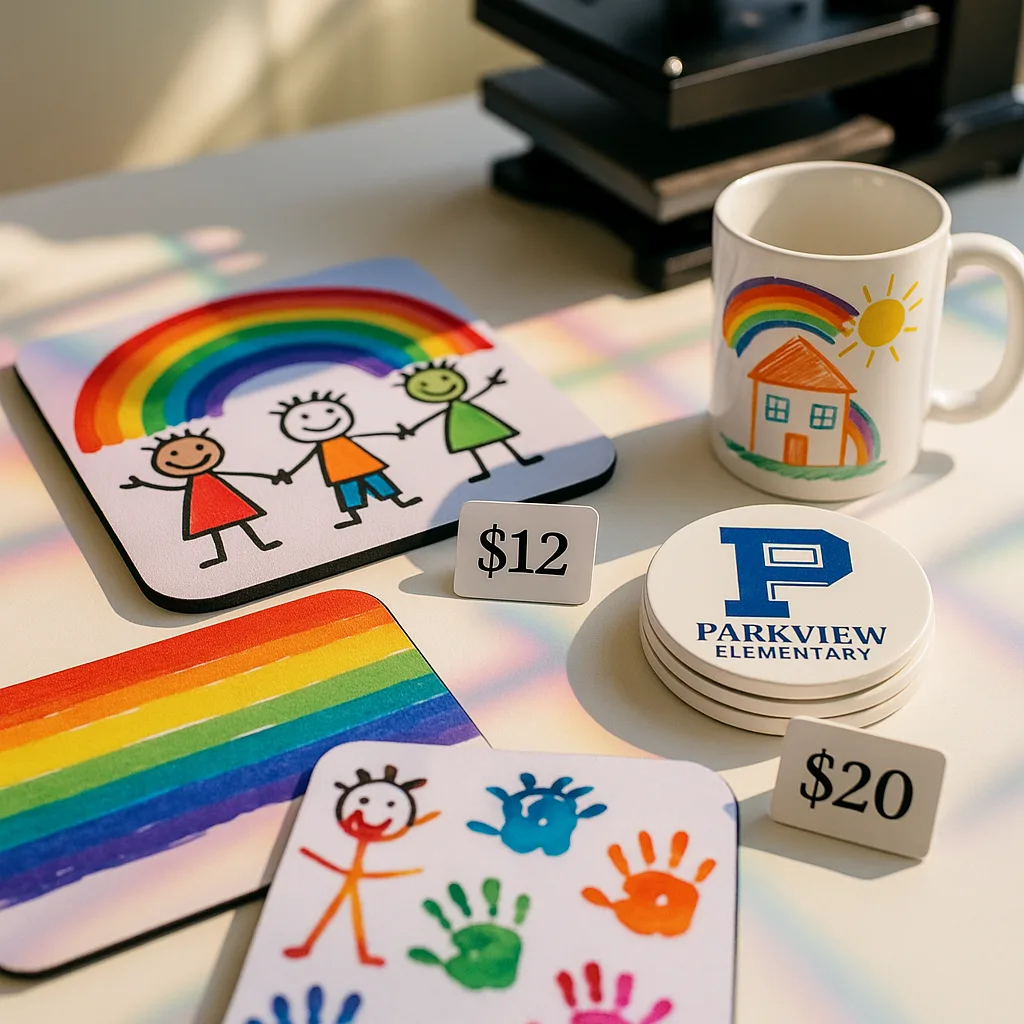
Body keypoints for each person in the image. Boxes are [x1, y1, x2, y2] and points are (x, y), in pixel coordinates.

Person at [121, 429, 281, 569]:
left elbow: (237, 474)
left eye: (199, 447)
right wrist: (143, 483)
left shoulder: (212, 477)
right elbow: (173, 488)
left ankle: (261, 544)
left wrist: (270, 476)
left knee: (241, 521)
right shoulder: (193, 484)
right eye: (173, 454)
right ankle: (221, 555)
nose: (187, 457)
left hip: (224, 497)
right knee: (214, 529)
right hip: (202, 502)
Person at [274, 391, 421, 529]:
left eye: (330, 411)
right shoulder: (322, 446)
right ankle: (355, 517)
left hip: (365, 465)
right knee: (349, 494)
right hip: (340, 473)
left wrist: (395, 433)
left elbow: (369, 435)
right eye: (304, 417)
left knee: (381, 485)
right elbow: (306, 460)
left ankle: (400, 502)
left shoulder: (344, 440)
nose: (320, 420)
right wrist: (290, 473)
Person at [396, 361, 542, 483]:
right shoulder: (452, 408)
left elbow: (479, 392)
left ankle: (521, 459)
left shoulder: (462, 404)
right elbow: (431, 417)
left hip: (475, 418)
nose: (438, 386)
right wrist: (413, 428)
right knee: (473, 448)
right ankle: (484, 470)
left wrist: (491, 384)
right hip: (459, 424)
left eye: (445, 378)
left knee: (501, 440)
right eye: (424, 385)